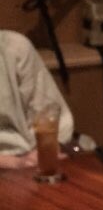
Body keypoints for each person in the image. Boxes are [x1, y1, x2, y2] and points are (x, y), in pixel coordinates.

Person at [0, 29, 73, 169]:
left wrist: (43, 153)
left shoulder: (14, 47)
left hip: (30, 158)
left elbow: (51, 115)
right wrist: (14, 163)